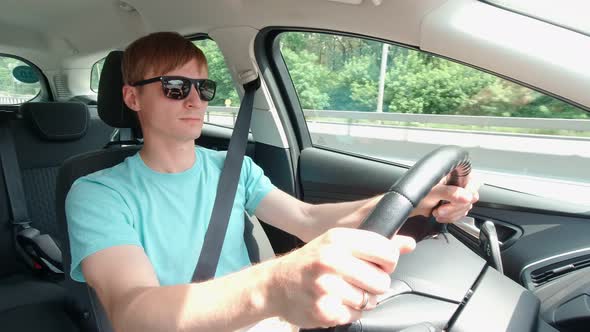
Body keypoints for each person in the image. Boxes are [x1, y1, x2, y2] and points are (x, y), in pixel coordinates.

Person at [66, 32, 480, 332]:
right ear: (132, 98)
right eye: (175, 87)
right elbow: (132, 312)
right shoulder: (98, 193)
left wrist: (417, 200)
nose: (194, 100)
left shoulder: (233, 168)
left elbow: (307, 218)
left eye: (202, 87)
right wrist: (274, 286)